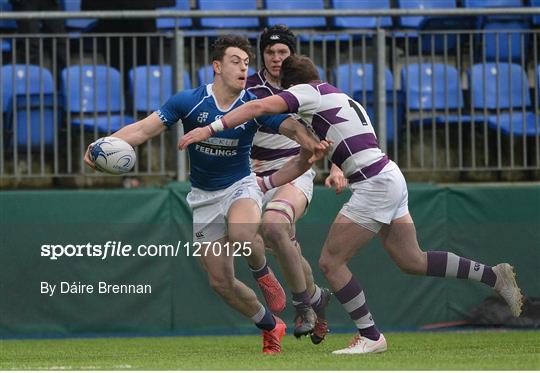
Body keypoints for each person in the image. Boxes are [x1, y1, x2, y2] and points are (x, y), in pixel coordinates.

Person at [179, 54, 524, 355]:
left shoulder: (307, 93)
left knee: (331, 262)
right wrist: (268, 182)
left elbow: (255, 107)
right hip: (389, 176)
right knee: (412, 260)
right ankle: (494, 276)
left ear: (293, 86)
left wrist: (211, 129)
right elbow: (310, 158)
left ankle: (370, 335)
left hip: (374, 185)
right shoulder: (341, 98)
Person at [84, 37, 329, 354]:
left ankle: (263, 272)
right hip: (203, 196)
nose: (244, 68)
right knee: (220, 282)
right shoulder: (189, 101)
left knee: (243, 232)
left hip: (241, 185)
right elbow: (143, 130)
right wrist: (101, 145)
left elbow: (290, 127)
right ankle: (270, 325)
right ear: (217, 66)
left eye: (246, 62)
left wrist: (308, 141)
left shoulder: (252, 104)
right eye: (236, 61)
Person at [245, 24, 346, 343]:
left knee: (274, 228)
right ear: (261, 55)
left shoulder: (307, 88)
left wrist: (337, 166)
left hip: (297, 167)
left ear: (293, 54)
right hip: (253, 175)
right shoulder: (248, 87)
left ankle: (303, 306)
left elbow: (337, 126)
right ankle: (317, 297)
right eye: (270, 52)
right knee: (278, 244)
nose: (276, 58)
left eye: (282, 52)